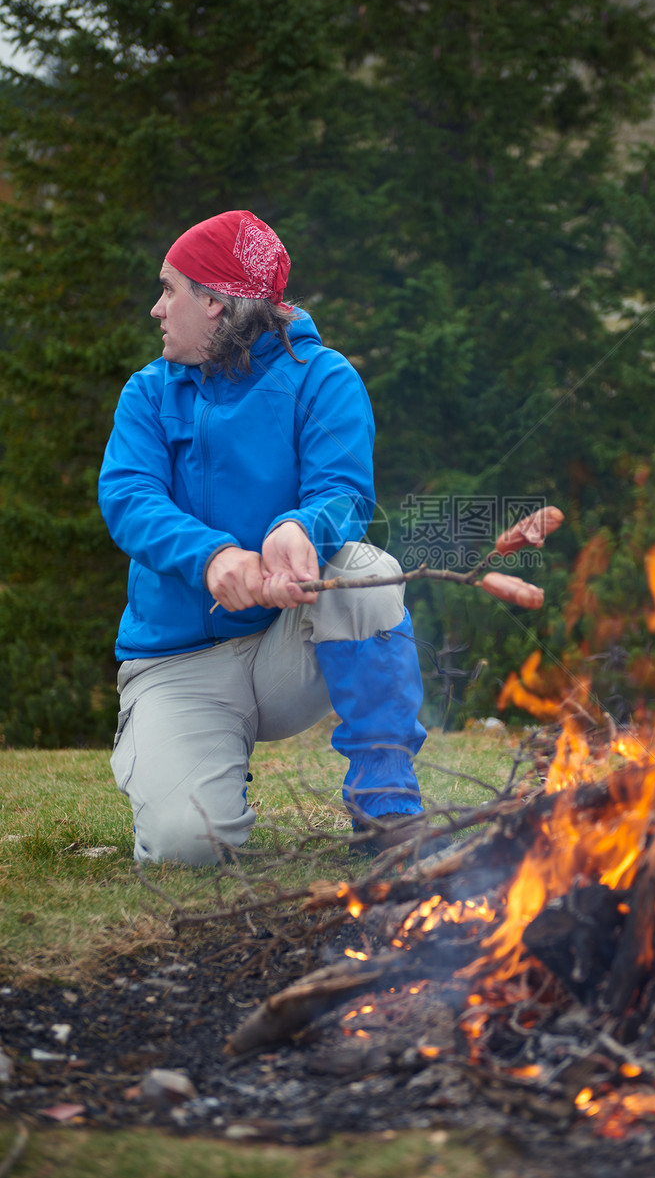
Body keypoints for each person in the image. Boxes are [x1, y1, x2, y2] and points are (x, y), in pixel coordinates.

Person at [99, 210, 427, 864]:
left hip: (288, 646)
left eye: (170, 289)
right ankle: (206, 772)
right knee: (186, 849)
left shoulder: (324, 377)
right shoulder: (146, 394)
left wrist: (300, 528)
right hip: (176, 663)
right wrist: (212, 555)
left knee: (365, 570)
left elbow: (344, 492)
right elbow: (130, 498)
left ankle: (386, 805)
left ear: (214, 303)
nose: (157, 308)